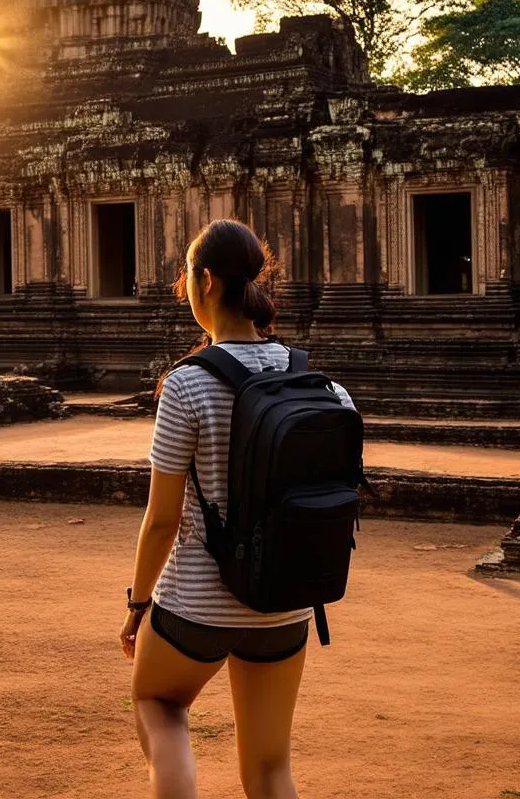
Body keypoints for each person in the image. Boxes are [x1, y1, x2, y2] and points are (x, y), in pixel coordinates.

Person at [120, 218, 357, 799]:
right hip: (286, 602)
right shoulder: (324, 386)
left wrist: (138, 604)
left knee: (158, 701)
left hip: (197, 600)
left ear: (203, 281)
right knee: (271, 768)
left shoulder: (186, 385)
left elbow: (162, 520)